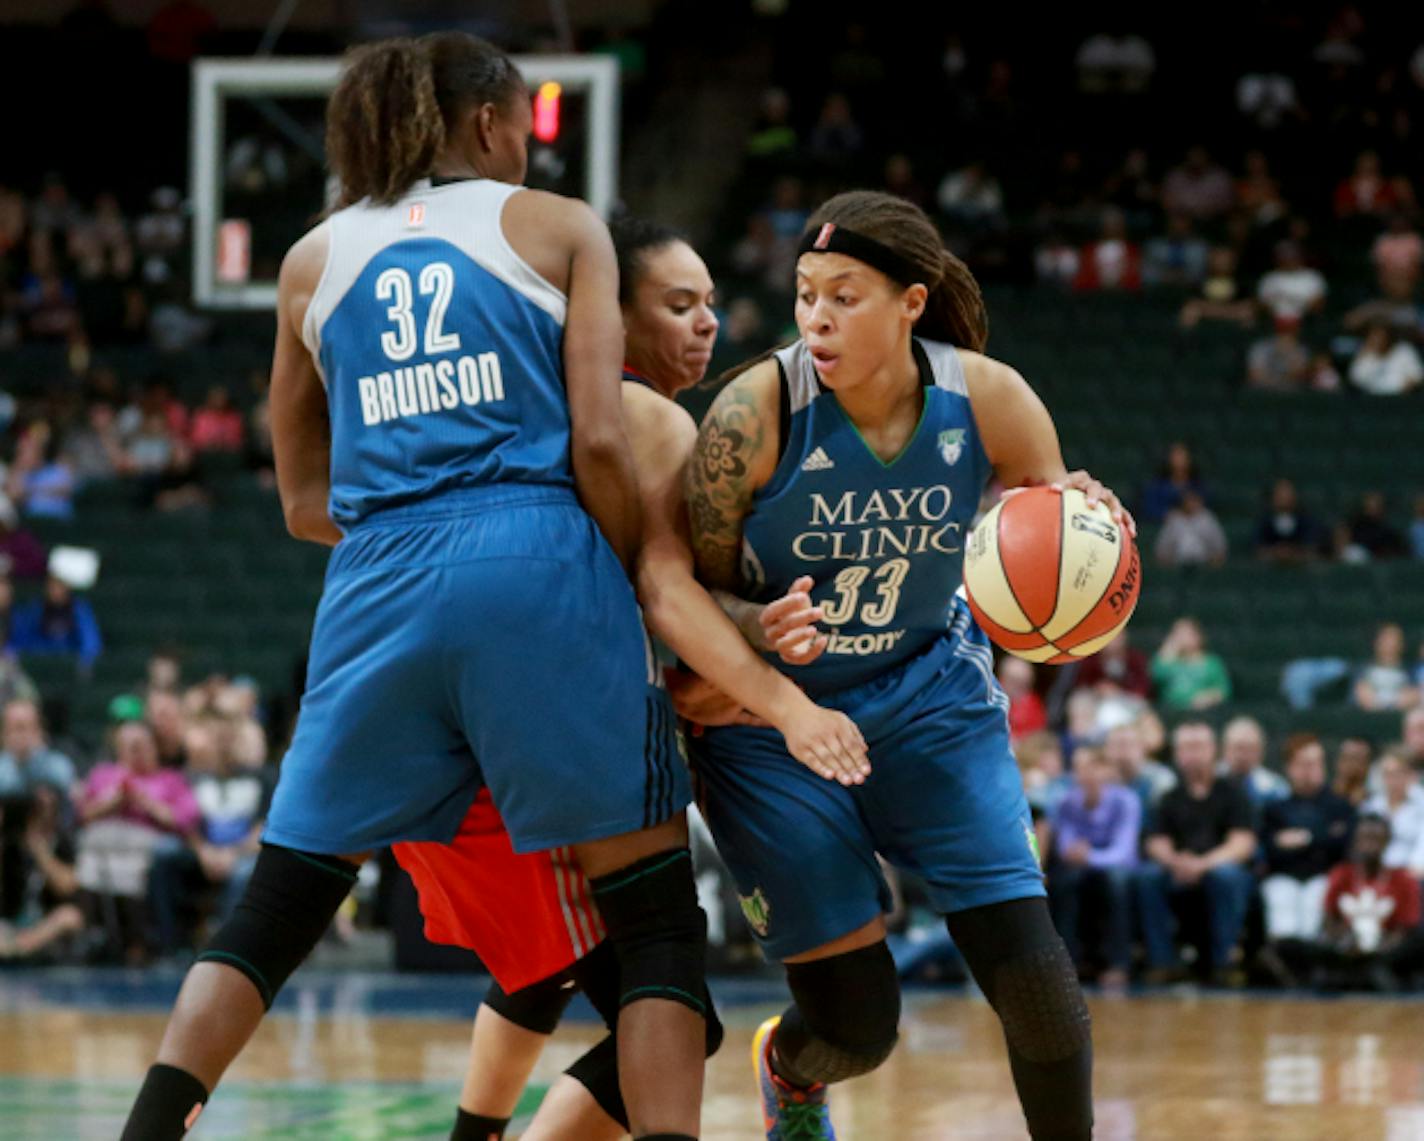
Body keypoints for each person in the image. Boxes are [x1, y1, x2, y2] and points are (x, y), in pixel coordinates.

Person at [119, 35, 862, 1141]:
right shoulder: (557, 226)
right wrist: (583, 556)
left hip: (374, 568)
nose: (526, 142)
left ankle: (148, 1129)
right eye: (521, 123)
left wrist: (408, 510)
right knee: (652, 919)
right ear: (483, 126)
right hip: (539, 555)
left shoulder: (308, 262)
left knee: (277, 904)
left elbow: (299, 499)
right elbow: (602, 442)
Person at [402, 218, 867, 1141]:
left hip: (438, 738)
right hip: (548, 751)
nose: (705, 323)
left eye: (710, 304)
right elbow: (668, 599)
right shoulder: (646, 418)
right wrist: (756, 660)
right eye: (678, 304)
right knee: (672, 1014)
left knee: (547, 959)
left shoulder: (508, 417)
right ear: (608, 317)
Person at [685, 190, 1132, 1140]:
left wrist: (1081, 517)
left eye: (844, 296)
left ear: (912, 303)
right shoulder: (752, 414)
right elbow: (687, 597)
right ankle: (787, 1067)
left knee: (1040, 989)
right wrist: (758, 623)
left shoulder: (991, 397)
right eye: (806, 295)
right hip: (772, 726)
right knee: (857, 1025)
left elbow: (1050, 534)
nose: (816, 318)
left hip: (932, 693)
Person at [1133, 721, 1256, 986]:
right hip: (1179, 869)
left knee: (1227, 876)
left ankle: (1224, 962)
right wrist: (1175, 862)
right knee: (1148, 877)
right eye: (1186, 748)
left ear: (1214, 750)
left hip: (1218, 868)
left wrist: (1201, 865)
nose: (1193, 754)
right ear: (1176, 754)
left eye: (1199, 747)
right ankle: (1162, 962)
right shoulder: (1167, 796)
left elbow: (1242, 844)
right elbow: (1156, 842)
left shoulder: (1234, 793)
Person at [1049, 746, 1140, 989]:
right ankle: (1069, 963)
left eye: (1092, 767)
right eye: (1079, 768)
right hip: (1082, 867)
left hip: (1116, 868)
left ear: (1106, 770)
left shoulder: (1126, 800)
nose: (1086, 775)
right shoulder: (1067, 802)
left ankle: (1119, 964)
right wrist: (1080, 855)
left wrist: (1089, 856)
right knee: (1064, 881)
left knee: (1116, 881)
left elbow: (1124, 851)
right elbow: (1065, 847)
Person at [1258, 735, 1355, 949]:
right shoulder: (1276, 808)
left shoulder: (1339, 806)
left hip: (1324, 876)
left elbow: (1341, 843)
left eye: (1315, 763)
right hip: (1283, 877)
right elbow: (1270, 847)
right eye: (1303, 764)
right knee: (1283, 912)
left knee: (1314, 908)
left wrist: (1305, 838)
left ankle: (1312, 967)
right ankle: (1286, 969)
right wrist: (1320, 837)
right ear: (1290, 767)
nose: (1309, 770)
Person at [1310, 815, 1424, 991]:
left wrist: (1378, 947)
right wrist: (1345, 941)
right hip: (1347, 951)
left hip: (1388, 954)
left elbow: (1408, 928)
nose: (1370, 845)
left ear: (1387, 842)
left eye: (1376, 839)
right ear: (1355, 841)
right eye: (1365, 838)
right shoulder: (1341, 874)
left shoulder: (1403, 879)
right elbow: (1328, 920)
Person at [1362, 749, 1424, 879]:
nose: (1391, 780)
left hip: (1413, 873)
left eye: (1397, 773)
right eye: (1387, 774)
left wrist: (1414, 869)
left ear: (1410, 775)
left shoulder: (1421, 803)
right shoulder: (1371, 806)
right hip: (1376, 873)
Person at [1151, 617, 1231, 711]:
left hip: (1204, 712)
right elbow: (1155, 677)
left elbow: (1224, 691)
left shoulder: (1211, 662)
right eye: (1176, 634)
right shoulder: (1166, 660)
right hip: (1170, 712)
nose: (1180, 638)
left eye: (1185, 633)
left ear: (1198, 637)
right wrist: (1167, 651)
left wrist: (1208, 697)